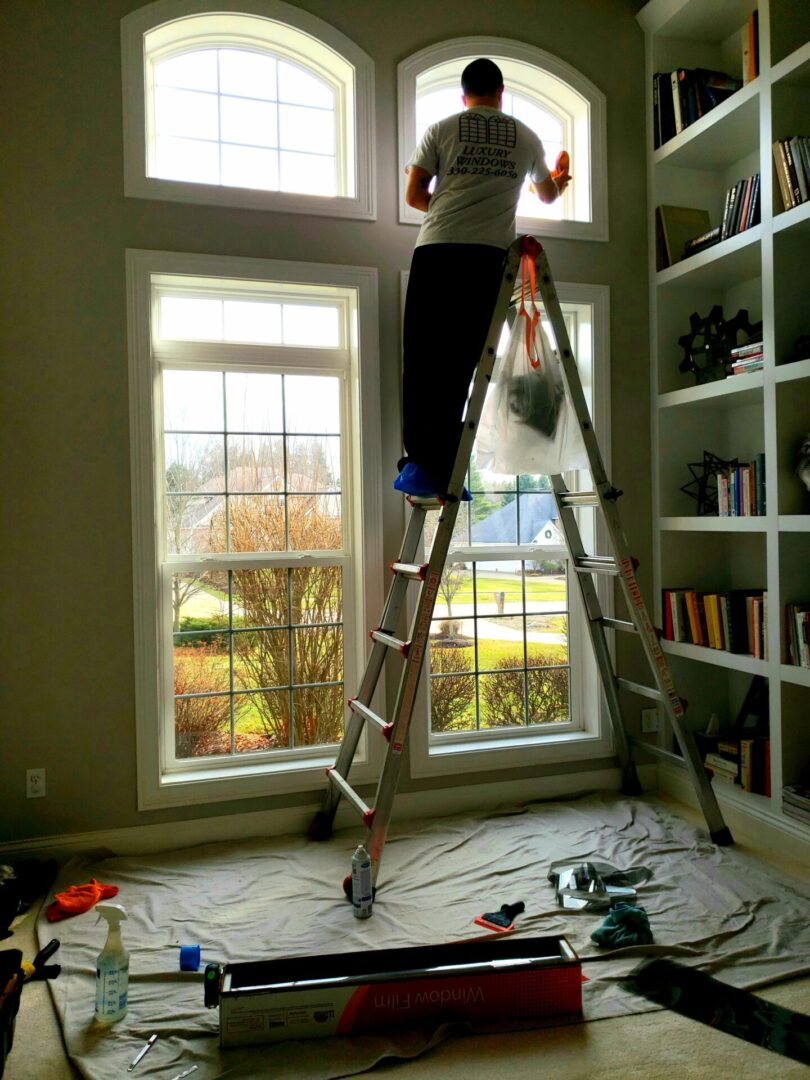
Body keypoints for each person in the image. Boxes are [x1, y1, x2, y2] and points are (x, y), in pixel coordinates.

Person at [395, 57, 571, 501]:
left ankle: (422, 467)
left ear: (463, 95)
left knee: (422, 359)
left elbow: (414, 194)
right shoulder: (526, 136)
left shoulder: (442, 128)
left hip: (437, 251)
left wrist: (453, 201)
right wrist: (559, 181)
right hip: (488, 259)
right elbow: (548, 194)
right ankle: (451, 470)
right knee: (462, 365)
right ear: (501, 92)